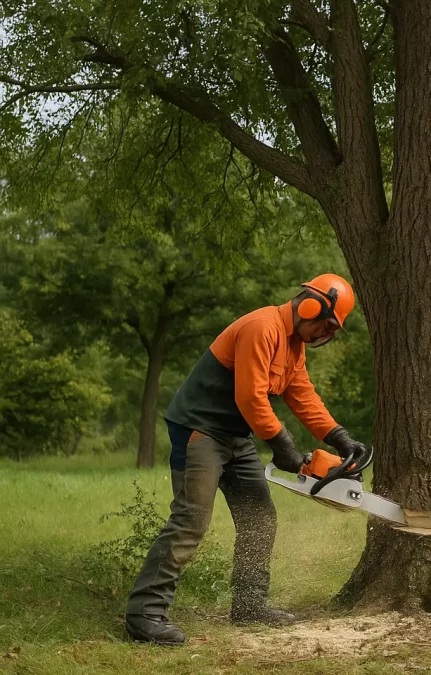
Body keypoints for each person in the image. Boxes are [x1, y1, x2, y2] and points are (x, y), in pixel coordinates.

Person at [124, 273, 373, 646]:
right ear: (311, 306)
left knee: (259, 515)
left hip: (235, 436)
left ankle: (249, 605)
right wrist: (283, 444)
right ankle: (144, 614)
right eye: (328, 323)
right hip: (201, 430)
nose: (328, 332)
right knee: (191, 519)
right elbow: (250, 397)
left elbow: (301, 394)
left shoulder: (293, 347)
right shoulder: (263, 327)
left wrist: (339, 436)